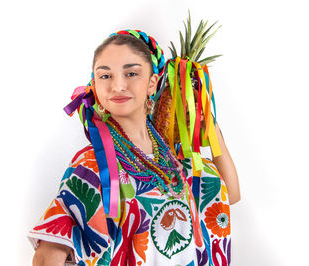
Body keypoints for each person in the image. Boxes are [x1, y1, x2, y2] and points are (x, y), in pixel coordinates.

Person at [28, 29, 240, 266]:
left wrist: (207, 123)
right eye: (105, 76)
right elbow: (48, 255)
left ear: (152, 84)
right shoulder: (92, 164)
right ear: (95, 86)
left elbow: (227, 194)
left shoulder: (173, 161)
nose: (118, 86)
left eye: (131, 73)